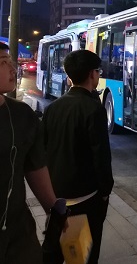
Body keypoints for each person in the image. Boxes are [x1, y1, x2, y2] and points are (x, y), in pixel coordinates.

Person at [41, 50, 114, 264]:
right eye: (98, 71)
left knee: (54, 252)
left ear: (69, 76)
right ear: (92, 74)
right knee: (84, 255)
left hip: (57, 199)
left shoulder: (53, 108)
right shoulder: (94, 109)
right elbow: (101, 156)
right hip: (86, 199)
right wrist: (104, 192)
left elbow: (43, 151)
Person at [0, 43, 67, 264]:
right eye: (3, 63)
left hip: (19, 236)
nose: (12, 69)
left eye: (11, 62)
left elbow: (35, 166)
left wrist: (54, 209)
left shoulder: (22, 115)